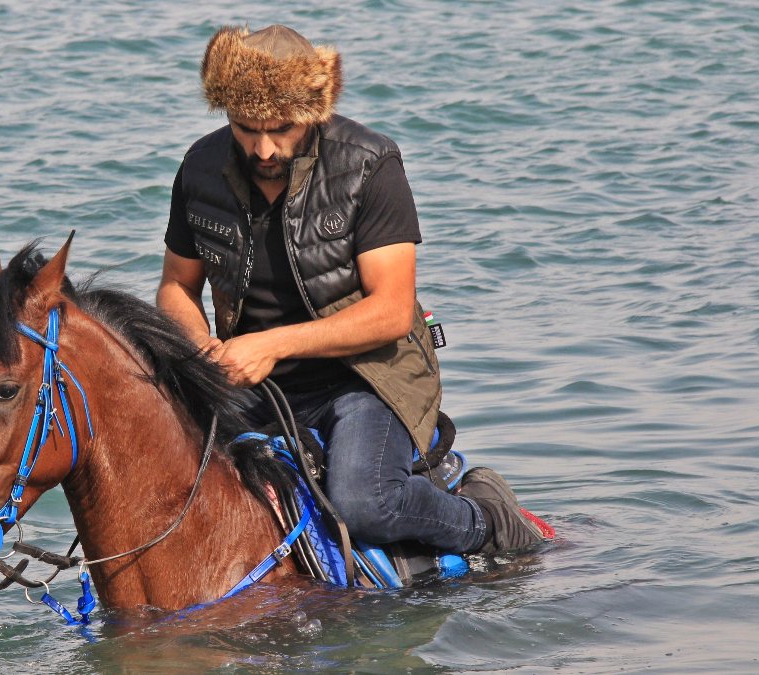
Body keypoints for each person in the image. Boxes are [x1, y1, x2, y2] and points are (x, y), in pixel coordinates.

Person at [156, 24, 546, 555]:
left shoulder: (369, 163)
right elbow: (177, 286)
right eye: (246, 129)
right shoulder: (200, 168)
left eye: (281, 129)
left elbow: (389, 313)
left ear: (314, 113)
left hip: (368, 376)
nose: (264, 148)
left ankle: (486, 521)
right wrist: (201, 352)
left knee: (367, 505)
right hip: (250, 378)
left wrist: (271, 344)